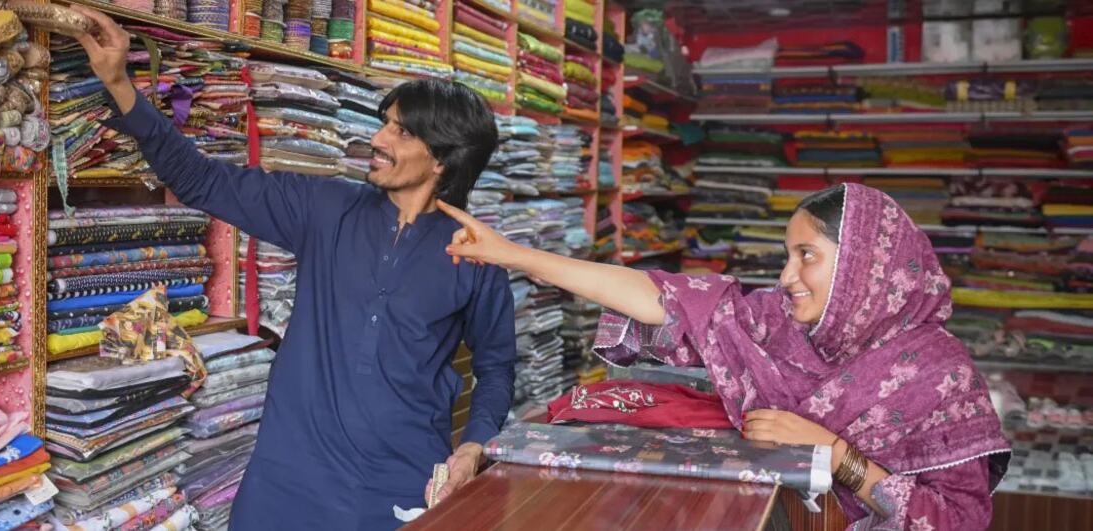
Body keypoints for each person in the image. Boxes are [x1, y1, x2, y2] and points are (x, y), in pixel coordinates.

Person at [71, 7, 517, 529]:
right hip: (288, 479)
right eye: (384, 124)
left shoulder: (476, 253)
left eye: (400, 132)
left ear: (442, 159)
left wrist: (472, 447)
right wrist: (121, 83)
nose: (378, 140)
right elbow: (204, 182)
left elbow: (497, 366)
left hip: (399, 485)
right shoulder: (325, 208)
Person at [440, 183, 1012, 529]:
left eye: (805, 255)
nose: (787, 277)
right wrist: (513, 254)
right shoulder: (779, 325)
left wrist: (837, 456)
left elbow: (957, 521)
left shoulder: (941, 376)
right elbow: (661, 299)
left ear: (866, 263)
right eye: (787, 256)